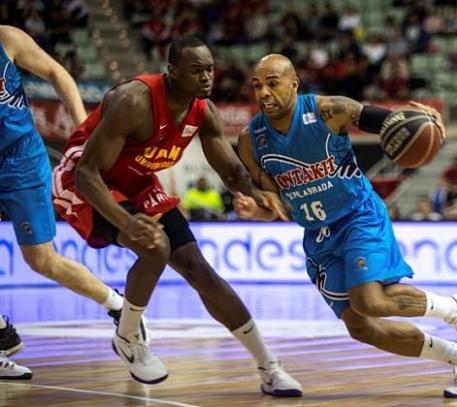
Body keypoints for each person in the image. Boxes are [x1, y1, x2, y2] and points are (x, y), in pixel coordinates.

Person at [51, 35, 302, 396]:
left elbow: (232, 173)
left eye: (210, 69)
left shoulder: (203, 110)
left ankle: (269, 368)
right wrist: (127, 221)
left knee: (200, 270)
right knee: (155, 246)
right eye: (196, 70)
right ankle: (128, 338)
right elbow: (88, 173)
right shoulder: (134, 101)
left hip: (136, 180)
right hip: (84, 178)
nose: (206, 78)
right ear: (172, 71)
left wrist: (258, 194)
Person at [233, 54, 457, 399]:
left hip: (357, 215)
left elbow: (391, 123)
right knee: (361, 327)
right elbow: (274, 206)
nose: (264, 92)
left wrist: (425, 120)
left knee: (369, 300)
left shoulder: (329, 110)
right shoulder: (251, 141)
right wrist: (256, 209)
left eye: (272, 82)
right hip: (318, 236)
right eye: (257, 85)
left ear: (294, 84)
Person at [0, 25, 146, 378]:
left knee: (41, 259)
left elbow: (57, 72)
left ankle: (115, 305)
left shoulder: (6, 38)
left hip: (22, 159)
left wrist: (83, 127)